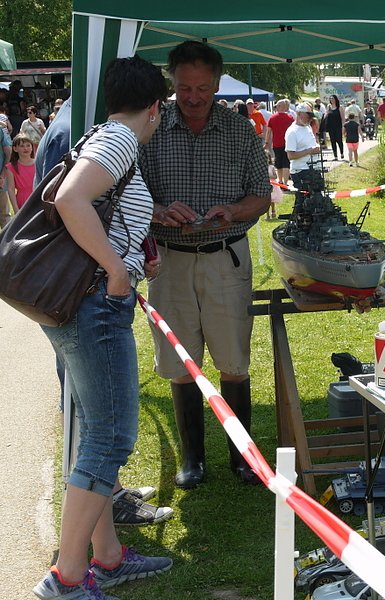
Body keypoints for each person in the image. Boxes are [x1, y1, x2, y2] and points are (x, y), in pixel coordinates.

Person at [32, 54, 172, 600]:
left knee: (96, 433)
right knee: (111, 437)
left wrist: (134, 251)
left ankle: (107, 557)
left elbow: (97, 206)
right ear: (156, 107)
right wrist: (116, 267)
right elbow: (71, 199)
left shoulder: (106, 136)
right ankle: (66, 579)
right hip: (95, 305)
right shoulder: (118, 141)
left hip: (87, 303)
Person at [139, 40, 272, 489]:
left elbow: (261, 195)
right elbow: (127, 193)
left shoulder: (240, 132)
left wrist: (232, 211)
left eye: (202, 88)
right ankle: (192, 459)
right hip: (171, 261)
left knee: (233, 359)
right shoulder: (149, 130)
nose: (193, 97)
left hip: (225, 258)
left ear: (217, 84)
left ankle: (242, 456)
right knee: (180, 360)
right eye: (183, 88)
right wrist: (158, 212)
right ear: (171, 83)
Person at [285, 102, 320, 187]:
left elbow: (312, 143)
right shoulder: (292, 132)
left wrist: (317, 148)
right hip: (300, 171)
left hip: (314, 168)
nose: (310, 118)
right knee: (304, 199)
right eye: (308, 115)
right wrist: (309, 151)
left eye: (311, 116)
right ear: (299, 113)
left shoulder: (308, 127)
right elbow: (290, 156)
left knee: (319, 198)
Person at [4, 133, 36, 211]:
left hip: (37, 196)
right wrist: (15, 208)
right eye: (22, 146)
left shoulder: (38, 163)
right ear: (15, 149)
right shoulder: (11, 167)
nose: (25, 148)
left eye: (28, 145)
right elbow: (11, 189)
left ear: (32, 147)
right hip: (22, 200)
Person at [266, 98, 295, 185]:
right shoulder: (290, 118)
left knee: (278, 163)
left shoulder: (272, 118)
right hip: (288, 144)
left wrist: (267, 142)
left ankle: (280, 181)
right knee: (286, 163)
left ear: (279, 107)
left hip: (277, 144)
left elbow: (268, 131)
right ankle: (286, 183)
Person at [325, 94, 345, 161]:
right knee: (332, 141)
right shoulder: (329, 107)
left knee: (339, 140)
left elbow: (343, 118)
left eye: (332, 98)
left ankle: (342, 153)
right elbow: (326, 115)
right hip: (331, 127)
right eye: (330, 98)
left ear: (336, 99)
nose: (331, 100)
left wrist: (343, 127)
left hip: (338, 127)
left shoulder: (340, 107)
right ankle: (335, 156)